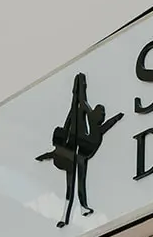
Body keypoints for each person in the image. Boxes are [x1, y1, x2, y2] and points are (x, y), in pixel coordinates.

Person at [36, 72, 122, 227]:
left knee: (79, 183)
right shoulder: (85, 114)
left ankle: (81, 207)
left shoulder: (95, 127)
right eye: (100, 113)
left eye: (103, 114)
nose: (102, 116)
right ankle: (65, 216)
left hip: (82, 153)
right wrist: (80, 90)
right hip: (74, 152)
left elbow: (107, 124)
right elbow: (75, 111)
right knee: (70, 186)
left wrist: (117, 117)